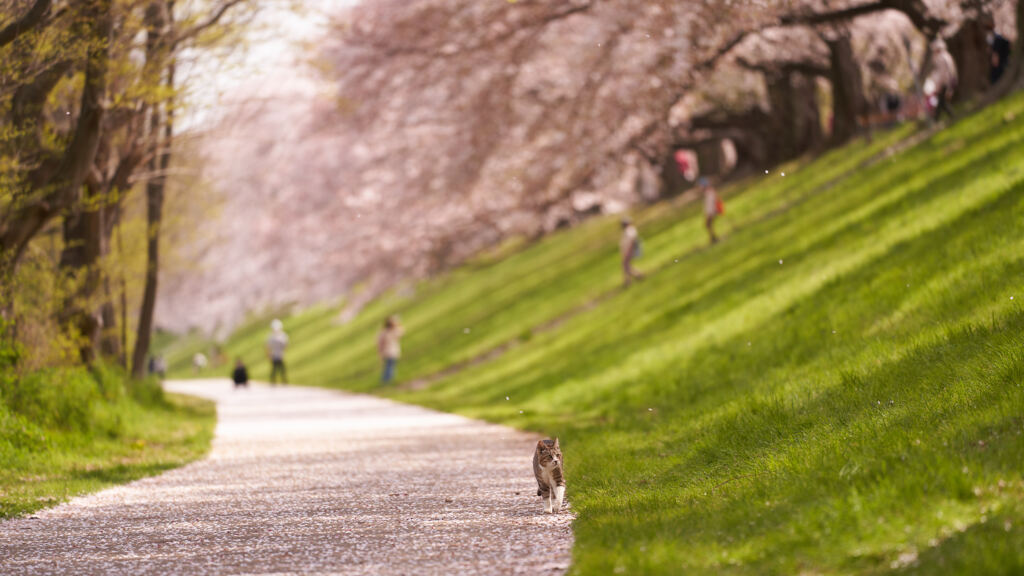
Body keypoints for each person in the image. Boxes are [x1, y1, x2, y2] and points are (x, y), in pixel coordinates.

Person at [984, 14, 1011, 86]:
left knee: (997, 77)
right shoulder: (996, 38)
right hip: (1003, 60)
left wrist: (994, 55)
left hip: (1000, 63)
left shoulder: (997, 39)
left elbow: (995, 57)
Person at [377, 316, 404, 384]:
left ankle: (386, 380)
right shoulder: (393, 331)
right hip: (392, 352)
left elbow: (379, 343)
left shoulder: (383, 332)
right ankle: (387, 380)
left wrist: (380, 352)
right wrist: (398, 323)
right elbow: (402, 331)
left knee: (388, 366)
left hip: (387, 352)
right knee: (390, 367)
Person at [619, 218, 643, 286]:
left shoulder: (630, 231)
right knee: (626, 265)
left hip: (629, 250)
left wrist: (628, 250)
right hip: (627, 250)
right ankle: (632, 278)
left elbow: (632, 241)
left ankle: (635, 277)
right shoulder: (628, 230)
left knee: (625, 265)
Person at [266, 319, 289, 385]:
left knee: (282, 369)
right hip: (274, 355)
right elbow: (268, 346)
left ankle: (284, 381)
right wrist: (269, 354)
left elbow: (285, 345)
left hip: (280, 355)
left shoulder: (282, 335)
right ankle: (273, 381)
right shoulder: (271, 336)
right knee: (274, 369)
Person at [700, 177, 722, 245]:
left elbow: (714, 202)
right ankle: (713, 237)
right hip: (710, 211)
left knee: (708, 225)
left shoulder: (710, 192)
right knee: (708, 225)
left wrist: (716, 210)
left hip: (711, 212)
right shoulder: (708, 192)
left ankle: (714, 238)